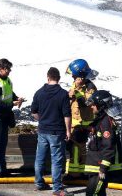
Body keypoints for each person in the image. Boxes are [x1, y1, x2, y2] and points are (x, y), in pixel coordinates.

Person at [32, 67, 72, 196]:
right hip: (57, 131)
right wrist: (68, 130)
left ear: (47, 77)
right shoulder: (63, 94)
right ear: (59, 79)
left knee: (40, 158)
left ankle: (39, 183)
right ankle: (57, 188)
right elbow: (67, 115)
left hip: (43, 130)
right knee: (56, 160)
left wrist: (42, 119)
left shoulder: (39, 93)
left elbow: (34, 112)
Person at [0, 58, 25, 178]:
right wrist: (12, 104)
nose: (9, 72)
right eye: (8, 69)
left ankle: (2, 169)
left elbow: (9, 94)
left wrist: (17, 98)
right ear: (1, 69)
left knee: (2, 144)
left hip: (4, 116)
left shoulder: (7, 80)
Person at [84, 90, 122, 196]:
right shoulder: (101, 120)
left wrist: (103, 169)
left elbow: (109, 146)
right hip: (96, 167)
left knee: (92, 194)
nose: (91, 107)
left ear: (100, 105)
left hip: (100, 169)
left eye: (93, 105)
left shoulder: (106, 122)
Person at [66, 58, 98, 176]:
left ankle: (78, 174)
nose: (73, 78)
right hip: (75, 124)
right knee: (74, 150)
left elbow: (88, 102)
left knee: (81, 150)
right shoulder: (75, 84)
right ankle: (74, 173)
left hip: (85, 125)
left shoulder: (90, 87)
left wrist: (77, 94)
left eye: (74, 76)